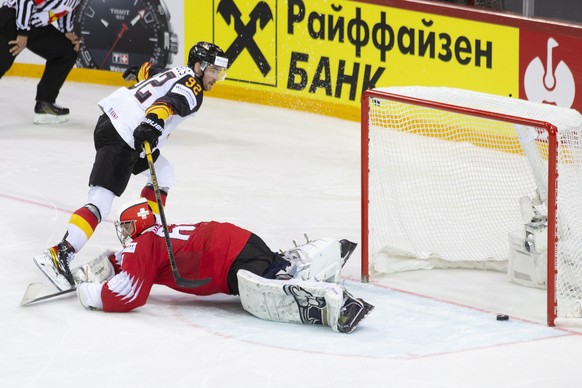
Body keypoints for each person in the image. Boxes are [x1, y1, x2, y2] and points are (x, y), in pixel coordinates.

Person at [33, 41, 230, 291]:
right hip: (126, 134)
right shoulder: (193, 87)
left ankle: (149, 239)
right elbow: (167, 104)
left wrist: (137, 71)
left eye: (219, 72)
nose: (216, 77)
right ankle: (59, 254)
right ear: (199, 66)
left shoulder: (178, 72)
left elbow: (149, 69)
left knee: (164, 171)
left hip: (116, 124)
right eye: (213, 70)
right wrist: (151, 123)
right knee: (100, 202)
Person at [71, 198, 374, 334]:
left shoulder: (143, 244)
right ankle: (303, 258)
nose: (123, 234)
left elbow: (130, 295)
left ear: (137, 225)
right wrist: (113, 261)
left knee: (260, 295)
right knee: (270, 264)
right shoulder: (162, 232)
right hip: (241, 239)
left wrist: (92, 294)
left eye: (125, 227)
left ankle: (334, 302)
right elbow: (136, 264)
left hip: (229, 262)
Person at [0, 0, 81, 124]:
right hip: (13, 17)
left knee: (67, 52)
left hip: (34, 25)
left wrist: (67, 31)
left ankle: (45, 103)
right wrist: (22, 33)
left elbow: (68, 6)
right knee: (2, 64)